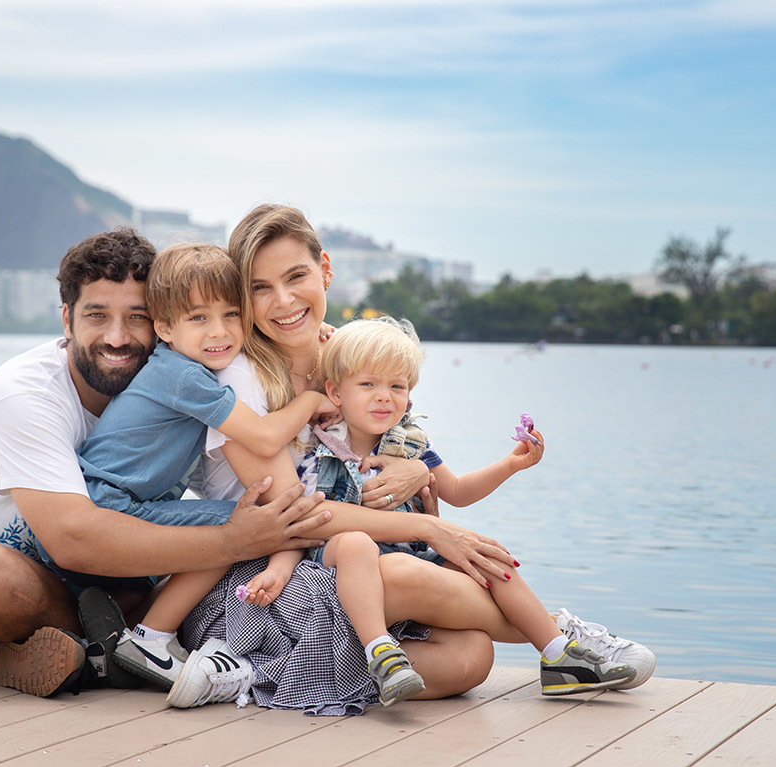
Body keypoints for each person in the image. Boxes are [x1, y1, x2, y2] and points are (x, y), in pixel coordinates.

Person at [173, 204, 654, 714]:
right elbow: (296, 515)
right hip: (265, 577)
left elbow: (403, 447)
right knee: (402, 571)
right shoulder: (238, 379)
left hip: (352, 555)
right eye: (260, 288)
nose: (284, 300)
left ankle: (296, 670)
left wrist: (419, 470)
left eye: (296, 277)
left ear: (326, 270)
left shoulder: (347, 354)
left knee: (471, 656)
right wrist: (431, 530)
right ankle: (559, 636)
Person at [0, 228, 329, 698]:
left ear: (161, 323)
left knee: (166, 582)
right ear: (67, 320)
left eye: (137, 317)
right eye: (97, 315)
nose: (117, 337)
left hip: (77, 582)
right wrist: (231, 539)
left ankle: (84, 655)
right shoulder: (25, 398)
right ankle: (112, 651)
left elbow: (243, 338)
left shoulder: (178, 372)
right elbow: (74, 540)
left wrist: (318, 342)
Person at [257, 315, 639, 700]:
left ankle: (558, 656)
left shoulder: (410, 444)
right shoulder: (317, 451)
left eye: (397, 386)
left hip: (412, 552)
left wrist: (509, 465)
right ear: (335, 393)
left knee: (489, 559)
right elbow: (303, 521)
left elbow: (456, 490)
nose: (384, 396)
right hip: (340, 557)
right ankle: (380, 651)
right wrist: (279, 567)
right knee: (356, 542)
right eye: (368, 385)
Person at [60, 242, 337, 689]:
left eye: (231, 315)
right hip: (113, 505)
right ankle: (152, 636)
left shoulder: (182, 366)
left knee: (231, 528)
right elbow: (264, 436)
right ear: (164, 327)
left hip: (118, 498)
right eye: (199, 319)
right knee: (242, 527)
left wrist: (322, 340)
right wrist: (309, 400)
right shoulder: (186, 378)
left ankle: (116, 646)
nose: (219, 332)